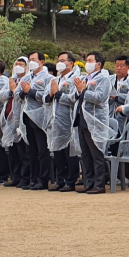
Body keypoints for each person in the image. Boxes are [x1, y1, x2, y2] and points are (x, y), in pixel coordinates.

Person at [72, 52, 114, 194]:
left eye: (90, 60)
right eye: (86, 60)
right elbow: (75, 95)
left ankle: (99, 184)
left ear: (98, 64)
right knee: (85, 154)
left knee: (96, 153)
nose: (86, 62)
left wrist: (83, 91)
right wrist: (79, 91)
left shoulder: (104, 79)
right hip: (82, 117)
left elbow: (100, 98)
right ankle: (88, 183)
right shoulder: (84, 78)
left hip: (95, 120)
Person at [16, 51, 54, 190]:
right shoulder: (26, 77)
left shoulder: (48, 78)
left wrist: (30, 91)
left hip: (40, 117)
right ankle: (33, 179)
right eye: (30, 59)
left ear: (41, 62)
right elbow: (18, 94)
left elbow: (47, 96)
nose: (31, 61)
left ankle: (43, 180)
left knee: (42, 150)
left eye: (34, 59)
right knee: (30, 150)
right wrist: (24, 91)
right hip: (26, 116)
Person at [44, 51, 80, 192]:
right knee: (57, 151)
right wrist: (52, 94)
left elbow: (73, 98)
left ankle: (70, 181)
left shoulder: (75, 79)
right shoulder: (56, 79)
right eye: (58, 60)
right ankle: (60, 179)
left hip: (68, 120)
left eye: (63, 60)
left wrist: (58, 94)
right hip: (55, 120)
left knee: (69, 152)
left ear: (71, 63)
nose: (60, 62)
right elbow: (46, 98)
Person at [0, 57, 30, 188]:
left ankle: (25, 178)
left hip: (22, 120)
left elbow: (22, 96)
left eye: (21, 64)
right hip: (9, 120)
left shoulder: (27, 80)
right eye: (17, 63)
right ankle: (15, 177)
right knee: (12, 151)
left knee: (23, 152)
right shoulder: (12, 80)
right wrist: (11, 90)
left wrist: (15, 90)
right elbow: (0, 95)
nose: (18, 66)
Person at [109, 56, 129, 132]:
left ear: (128, 67)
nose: (118, 68)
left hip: (125, 115)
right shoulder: (109, 79)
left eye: (121, 66)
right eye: (117, 65)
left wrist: (117, 97)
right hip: (110, 112)